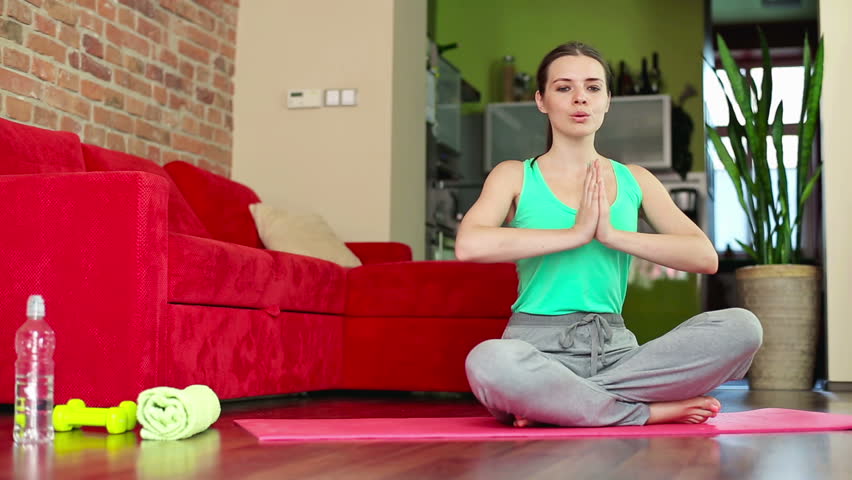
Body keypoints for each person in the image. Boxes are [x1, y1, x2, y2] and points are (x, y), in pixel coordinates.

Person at [456, 41, 763, 428]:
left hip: (618, 352)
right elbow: (469, 245)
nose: (580, 98)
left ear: (607, 101)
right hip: (535, 348)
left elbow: (703, 256)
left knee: (742, 327)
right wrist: (577, 232)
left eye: (593, 87)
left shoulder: (635, 179)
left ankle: (560, 406)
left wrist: (611, 234)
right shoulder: (515, 174)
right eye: (564, 88)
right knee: (488, 360)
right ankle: (643, 412)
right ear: (541, 100)